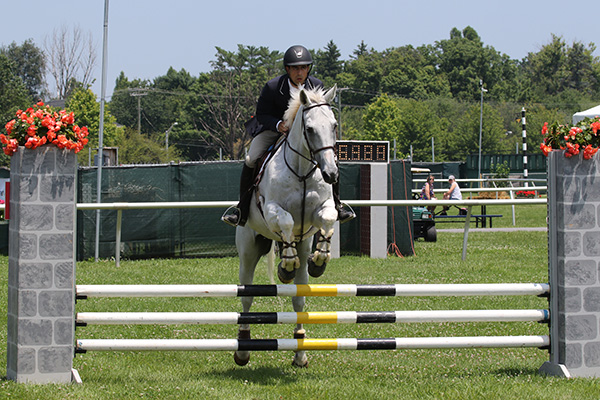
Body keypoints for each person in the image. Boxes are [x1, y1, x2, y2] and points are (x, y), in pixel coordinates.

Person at [222, 45, 355, 227]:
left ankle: (338, 205)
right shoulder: (273, 87)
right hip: (274, 129)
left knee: (332, 160)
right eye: (295, 68)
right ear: (287, 69)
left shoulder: (316, 85)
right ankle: (242, 210)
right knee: (251, 158)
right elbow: (261, 114)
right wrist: (279, 125)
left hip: (305, 133)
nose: (300, 72)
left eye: (303, 68)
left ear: (308, 68)